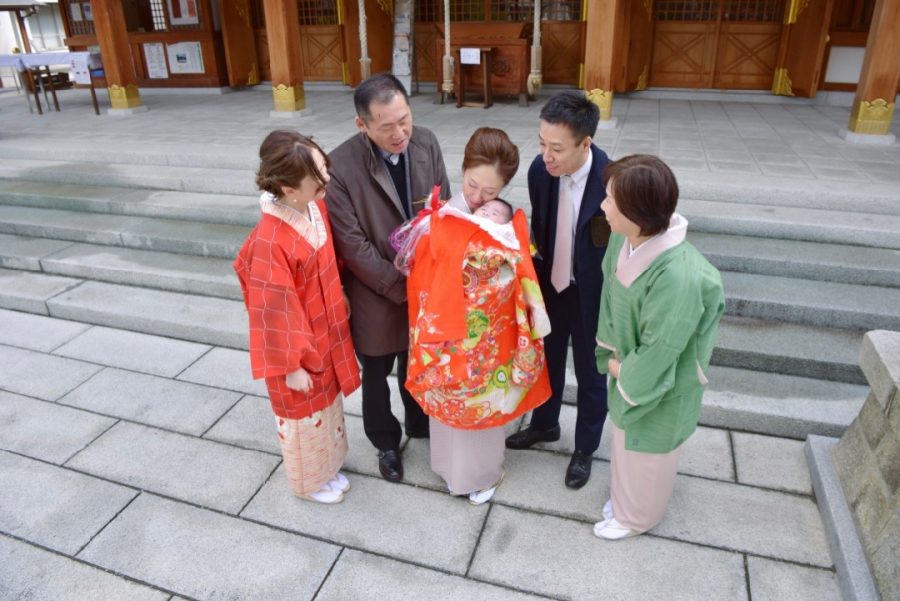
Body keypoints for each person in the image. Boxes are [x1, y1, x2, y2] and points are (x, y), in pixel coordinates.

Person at [404, 128, 552, 505]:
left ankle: (481, 474)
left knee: (482, 405)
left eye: (490, 193)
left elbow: (514, 271)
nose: (476, 198)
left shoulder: (501, 221)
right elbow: (425, 272)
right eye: (472, 185)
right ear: (464, 168)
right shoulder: (445, 214)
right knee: (449, 403)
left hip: (486, 341)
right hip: (447, 335)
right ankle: (448, 468)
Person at [326, 73, 451, 483]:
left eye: (405, 119)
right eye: (387, 126)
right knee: (376, 372)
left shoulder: (426, 141)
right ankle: (384, 441)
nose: (400, 133)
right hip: (374, 290)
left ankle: (419, 421)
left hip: (424, 282)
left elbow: (442, 207)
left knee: (418, 360)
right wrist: (401, 287)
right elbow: (352, 244)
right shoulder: (340, 166)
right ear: (362, 125)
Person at [593, 154, 725, 539]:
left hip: (655, 377)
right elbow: (609, 291)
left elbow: (661, 347)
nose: (602, 207)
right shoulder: (624, 235)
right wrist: (613, 351)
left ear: (637, 212)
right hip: (626, 358)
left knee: (648, 450)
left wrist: (621, 369)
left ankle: (637, 518)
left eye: (610, 201)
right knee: (624, 442)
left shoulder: (679, 276)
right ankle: (623, 502)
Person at [234, 130, 361, 504]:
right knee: (304, 417)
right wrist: (289, 364)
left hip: (324, 331)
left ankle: (331, 467)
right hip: (297, 346)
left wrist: (340, 295)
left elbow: (330, 261)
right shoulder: (271, 239)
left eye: (323, 168)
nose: (326, 181)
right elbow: (273, 309)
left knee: (327, 407)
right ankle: (310, 482)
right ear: (289, 188)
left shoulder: (313, 208)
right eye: (317, 177)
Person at [505, 91, 611, 490]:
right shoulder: (539, 172)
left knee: (591, 374)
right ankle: (545, 424)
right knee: (545, 363)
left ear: (586, 143)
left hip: (592, 296)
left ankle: (584, 448)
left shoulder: (611, 181)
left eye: (557, 149)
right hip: (550, 287)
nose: (546, 156)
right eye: (542, 143)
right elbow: (543, 227)